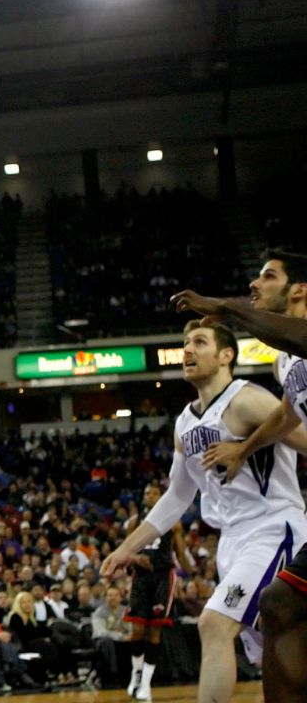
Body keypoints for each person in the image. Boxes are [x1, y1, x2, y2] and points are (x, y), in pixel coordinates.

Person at [102, 320, 307, 703]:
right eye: (185, 343)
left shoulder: (248, 399)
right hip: (230, 541)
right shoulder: (185, 422)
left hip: (274, 527)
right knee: (273, 653)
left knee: (213, 625)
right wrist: (127, 547)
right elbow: (177, 497)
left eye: (199, 342)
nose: (188, 350)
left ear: (227, 355)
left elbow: (304, 438)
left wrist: (243, 448)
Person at [175, 249, 307, 703]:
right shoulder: (284, 364)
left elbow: (277, 330)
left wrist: (222, 306)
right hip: (243, 530)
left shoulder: (298, 339)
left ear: (299, 289)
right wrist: (242, 448)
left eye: (268, 276)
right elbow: (288, 418)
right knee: (279, 605)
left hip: (275, 522)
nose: (255, 284)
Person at [122, 483, 190, 699]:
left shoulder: (173, 521)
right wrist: (135, 558)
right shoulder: (134, 523)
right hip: (141, 578)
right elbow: (124, 552)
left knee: (155, 631)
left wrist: (192, 571)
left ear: (162, 496)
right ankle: (136, 672)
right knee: (137, 631)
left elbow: (180, 554)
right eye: (146, 493)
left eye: (153, 493)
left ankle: (146, 685)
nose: (149, 496)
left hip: (163, 577)